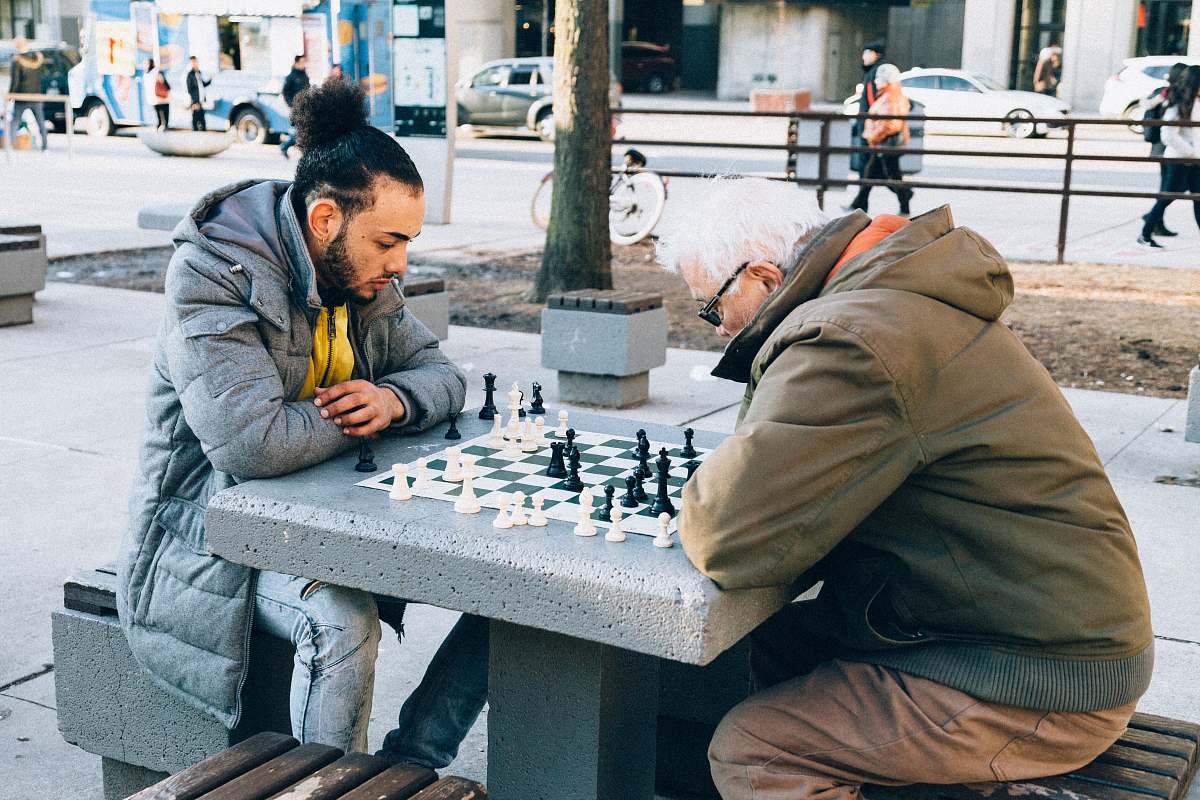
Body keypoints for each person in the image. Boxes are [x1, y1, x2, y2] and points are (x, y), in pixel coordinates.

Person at [656, 176, 1153, 800]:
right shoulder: (892, 293)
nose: (718, 330)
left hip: (1038, 683)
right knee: (767, 647)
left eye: (712, 308)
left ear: (759, 276)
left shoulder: (851, 337)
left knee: (756, 751)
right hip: (1035, 637)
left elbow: (728, 536)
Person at [116, 78, 489, 765]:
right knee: (344, 619)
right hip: (207, 534)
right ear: (324, 221)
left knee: (510, 590)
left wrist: (391, 401)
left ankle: (410, 767)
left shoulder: (358, 276)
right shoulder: (210, 273)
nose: (401, 262)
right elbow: (251, 442)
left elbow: (445, 378)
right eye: (389, 241)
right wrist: (360, 422)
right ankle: (334, 785)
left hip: (320, 518)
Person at [1140, 64, 1200, 248]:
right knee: (1168, 197)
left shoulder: (1195, 102)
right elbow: (1168, 134)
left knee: (1198, 198)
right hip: (1178, 159)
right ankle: (1145, 234)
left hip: (1193, 160)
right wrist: (1192, 152)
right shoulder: (1178, 102)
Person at [848, 64, 913, 216]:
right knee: (872, 174)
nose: (876, 81)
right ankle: (858, 205)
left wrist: (873, 138)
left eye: (879, 78)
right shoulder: (887, 94)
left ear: (887, 81)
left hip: (886, 143)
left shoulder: (891, 97)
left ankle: (905, 202)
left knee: (891, 176)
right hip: (883, 143)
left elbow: (889, 124)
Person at [849, 41, 887, 181]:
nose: (863, 57)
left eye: (866, 53)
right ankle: (861, 201)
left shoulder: (873, 73)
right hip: (873, 126)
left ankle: (904, 194)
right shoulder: (879, 71)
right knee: (876, 167)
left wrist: (868, 123)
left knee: (867, 164)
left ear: (874, 55)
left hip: (869, 126)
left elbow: (872, 101)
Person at [9, 37, 48, 151]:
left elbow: (15, 81)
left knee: (15, 121)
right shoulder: (37, 59)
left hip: (22, 96)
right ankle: (45, 146)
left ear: (18, 45)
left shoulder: (17, 61)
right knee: (40, 122)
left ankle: (10, 145)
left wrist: (11, 95)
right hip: (36, 95)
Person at [280, 54, 310, 158]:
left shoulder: (304, 75)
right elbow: (285, 92)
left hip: (306, 108)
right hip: (296, 108)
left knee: (304, 131)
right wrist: (291, 104)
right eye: (302, 62)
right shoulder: (291, 77)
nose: (304, 64)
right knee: (302, 131)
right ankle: (288, 146)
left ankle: (286, 146)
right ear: (297, 63)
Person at [144, 58, 171, 131]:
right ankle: (164, 126)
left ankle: (161, 125)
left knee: (159, 113)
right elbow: (166, 85)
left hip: (155, 97)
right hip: (161, 97)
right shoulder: (155, 73)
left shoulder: (147, 74)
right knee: (163, 113)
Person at [186, 56, 211, 131]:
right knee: (196, 118)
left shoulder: (199, 73)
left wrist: (210, 80)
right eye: (194, 62)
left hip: (201, 100)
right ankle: (195, 134)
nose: (195, 64)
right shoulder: (190, 75)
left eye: (196, 62)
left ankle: (202, 133)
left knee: (202, 118)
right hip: (195, 101)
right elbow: (189, 89)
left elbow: (202, 85)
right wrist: (194, 102)